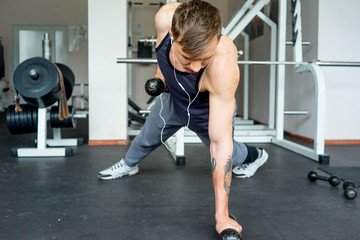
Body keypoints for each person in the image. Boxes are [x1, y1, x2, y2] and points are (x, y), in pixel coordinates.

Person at [98, 0, 268, 235]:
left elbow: (219, 146)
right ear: (172, 34)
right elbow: (163, 56)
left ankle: (255, 155)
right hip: (174, 101)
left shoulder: (222, 67)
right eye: (188, 59)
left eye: (204, 58)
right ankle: (128, 164)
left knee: (231, 153)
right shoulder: (165, 18)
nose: (197, 68)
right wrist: (161, 78)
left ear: (217, 39)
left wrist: (222, 216)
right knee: (147, 135)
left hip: (205, 111)